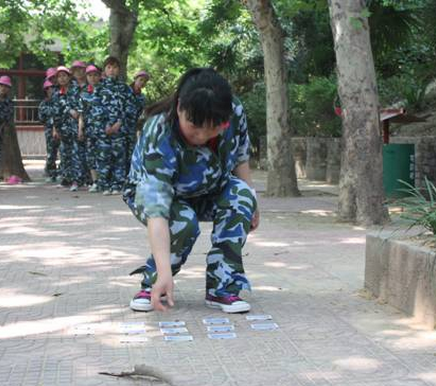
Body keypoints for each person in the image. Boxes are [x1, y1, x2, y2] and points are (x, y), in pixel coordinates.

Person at [123, 68, 260, 314]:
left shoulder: (233, 110)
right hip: (161, 195)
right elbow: (157, 208)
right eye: (195, 127)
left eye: (213, 128)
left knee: (241, 197)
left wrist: (252, 201)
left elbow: (240, 157)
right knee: (184, 222)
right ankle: (155, 283)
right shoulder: (159, 130)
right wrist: (165, 272)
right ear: (179, 108)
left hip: (209, 188)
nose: (202, 136)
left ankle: (223, 287)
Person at [78, 64, 111, 193]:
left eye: (95, 75)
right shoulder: (84, 93)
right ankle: (95, 182)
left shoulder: (105, 91)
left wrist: (109, 125)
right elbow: (82, 113)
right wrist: (80, 129)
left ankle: (105, 183)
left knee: (104, 156)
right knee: (91, 156)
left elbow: (111, 111)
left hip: (103, 129)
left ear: (99, 76)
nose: (93, 78)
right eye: (90, 75)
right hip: (89, 129)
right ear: (87, 77)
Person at [51, 66, 83, 191]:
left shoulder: (76, 90)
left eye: (64, 75)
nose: (62, 78)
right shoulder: (56, 94)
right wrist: (55, 129)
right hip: (62, 129)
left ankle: (76, 181)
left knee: (76, 154)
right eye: (59, 76)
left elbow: (80, 111)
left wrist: (80, 129)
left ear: (69, 77)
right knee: (64, 154)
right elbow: (54, 113)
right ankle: (66, 179)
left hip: (74, 127)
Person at [126, 70, 149, 172]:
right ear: (135, 79)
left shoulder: (142, 98)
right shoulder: (125, 91)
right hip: (120, 125)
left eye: (145, 81)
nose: (142, 83)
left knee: (131, 150)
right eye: (140, 80)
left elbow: (141, 115)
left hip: (132, 126)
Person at [38, 80, 60, 182]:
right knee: (51, 153)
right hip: (49, 130)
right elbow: (41, 118)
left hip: (60, 129)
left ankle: (62, 173)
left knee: (64, 151)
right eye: (49, 88)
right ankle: (51, 173)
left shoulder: (59, 101)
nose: (52, 90)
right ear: (46, 90)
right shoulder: (43, 103)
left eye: (53, 88)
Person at [0, 75, 13, 172]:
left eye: (6, 86)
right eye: (1, 85)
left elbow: (8, 116)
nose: (3, 88)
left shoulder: (9, 102)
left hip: (3, 130)